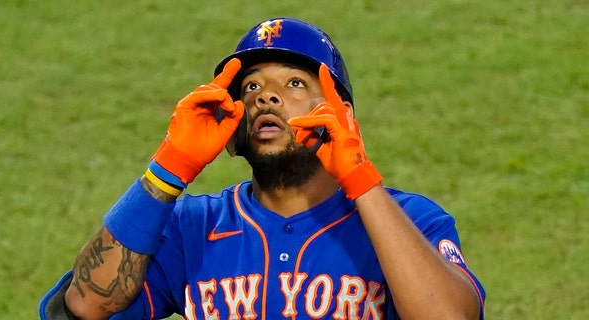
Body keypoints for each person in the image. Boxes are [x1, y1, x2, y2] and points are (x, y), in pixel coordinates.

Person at [40, 17, 485, 320]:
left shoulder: (409, 220)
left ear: (341, 113)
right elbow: (85, 306)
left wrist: (362, 180)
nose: (265, 97)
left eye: (294, 83)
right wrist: (168, 167)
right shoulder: (192, 227)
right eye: (251, 86)